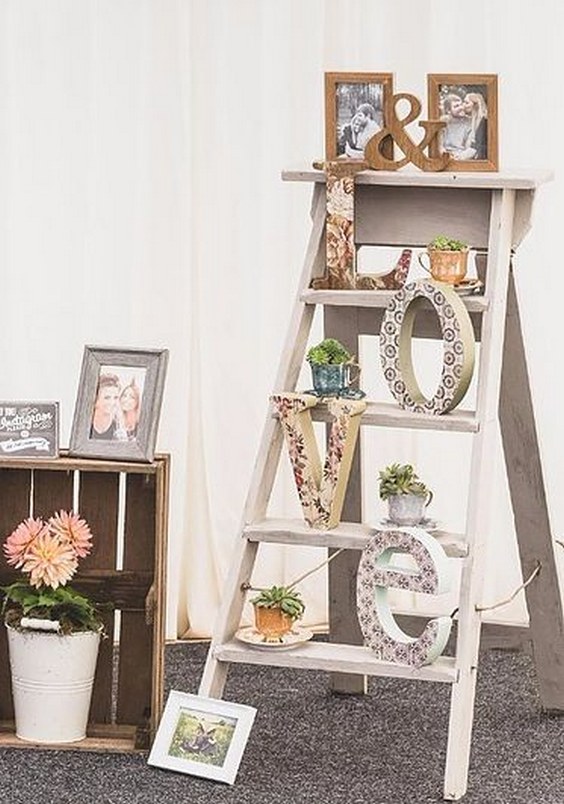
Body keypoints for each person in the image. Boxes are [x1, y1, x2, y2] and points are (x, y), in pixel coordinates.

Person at [90, 373, 124, 440]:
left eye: (115, 397)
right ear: (95, 400)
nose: (112, 402)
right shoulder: (85, 426)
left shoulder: (119, 428)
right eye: (107, 398)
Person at [440, 93, 473, 160]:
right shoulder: (443, 122)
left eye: (461, 104)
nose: (461, 108)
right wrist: (445, 155)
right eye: (456, 106)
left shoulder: (469, 122)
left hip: (462, 157)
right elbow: (440, 146)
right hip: (445, 157)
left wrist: (459, 157)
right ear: (448, 111)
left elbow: (469, 147)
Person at [461, 91, 488, 160]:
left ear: (475, 105)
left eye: (466, 103)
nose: (463, 105)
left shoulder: (484, 121)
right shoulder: (473, 119)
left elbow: (479, 145)